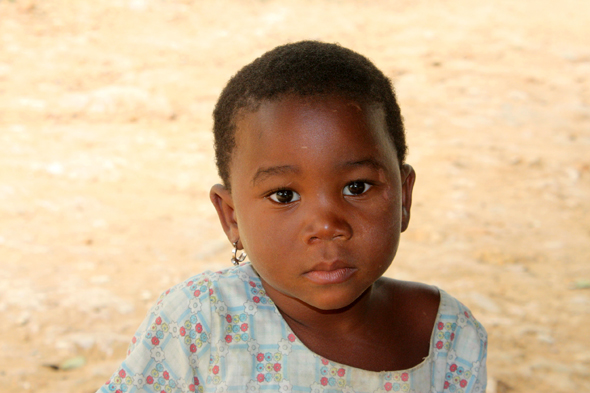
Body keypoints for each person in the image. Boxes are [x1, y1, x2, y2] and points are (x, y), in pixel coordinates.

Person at [98, 41, 487, 393]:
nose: (326, 225)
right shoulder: (202, 322)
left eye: (357, 187)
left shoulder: (447, 336)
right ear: (231, 216)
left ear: (404, 197)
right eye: (284, 195)